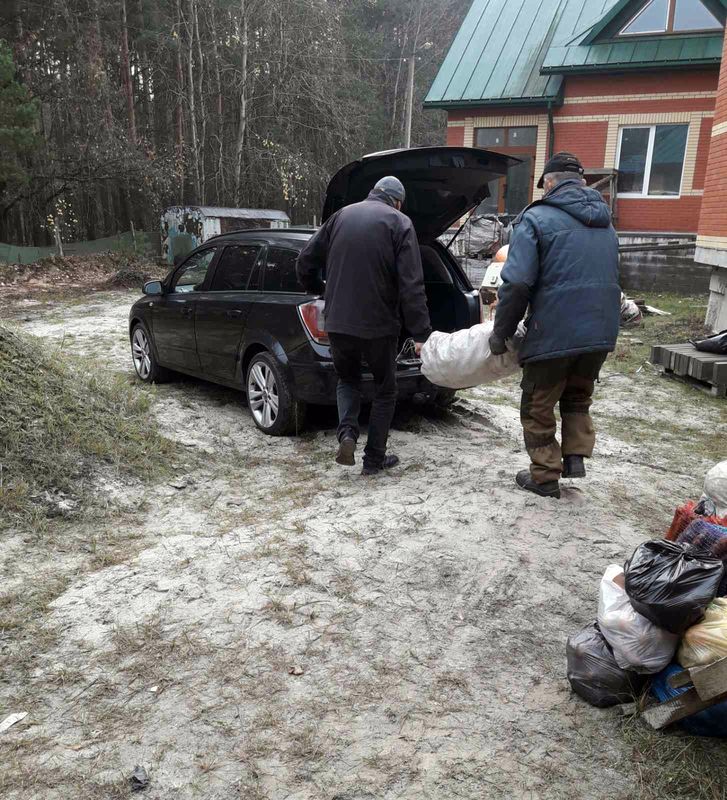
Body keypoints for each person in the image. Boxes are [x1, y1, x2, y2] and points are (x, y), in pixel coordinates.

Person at [490, 152, 620, 499]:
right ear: (581, 182)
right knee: (578, 393)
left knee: (537, 403)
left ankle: (545, 475)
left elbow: (516, 284)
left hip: (555, 329)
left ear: (549, 182)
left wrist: (500, 333)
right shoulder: (605, 221)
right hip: (601, 330)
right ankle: (574, 455)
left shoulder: (536, 219)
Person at [296, 176, 432, 476]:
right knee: (385, 389)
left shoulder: (340, 216)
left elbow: (304, 260)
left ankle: (347, 435)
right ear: (397, 202)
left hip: (338, 322)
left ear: (373, 193)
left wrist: (319, 288)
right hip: (379, 326)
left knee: (348, 381)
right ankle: (374, 460)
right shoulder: (400, 223)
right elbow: (412, 285)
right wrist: (421, 333)